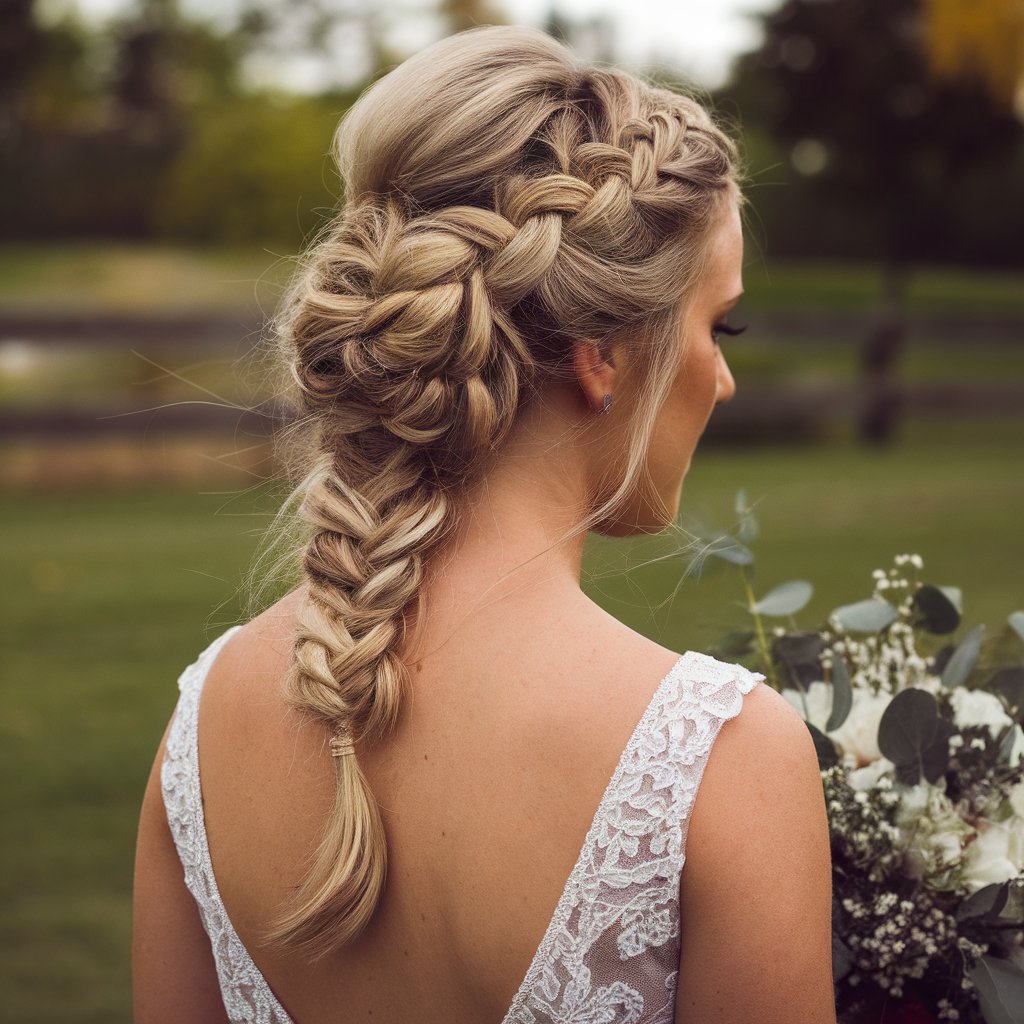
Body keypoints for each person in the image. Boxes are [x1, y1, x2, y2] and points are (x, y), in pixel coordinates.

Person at [132, 24, 836, 1024]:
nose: (722, 379)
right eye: (715, 325)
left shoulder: (200, 730)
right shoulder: (723, 765)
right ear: (602, 353)